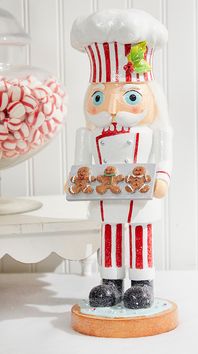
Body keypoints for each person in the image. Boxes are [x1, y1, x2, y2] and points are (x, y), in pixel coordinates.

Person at [71, 8, 173, 309]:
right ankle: (111, 282)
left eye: (130, 96)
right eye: (100, 97)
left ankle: (142, 283)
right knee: (111, 234)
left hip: (141, 198)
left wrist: (162, 179)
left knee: (140, 236)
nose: (111, 108)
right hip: (106, 197)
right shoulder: (89, 135)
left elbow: (163, 158)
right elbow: (82, 166)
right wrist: (80, 181)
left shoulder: (153, 133)